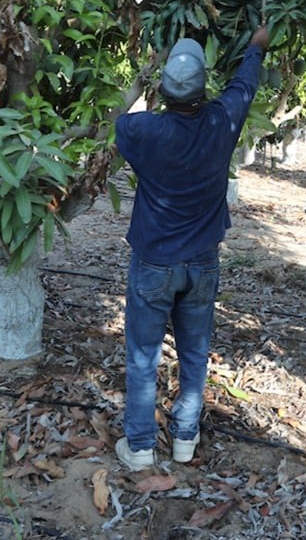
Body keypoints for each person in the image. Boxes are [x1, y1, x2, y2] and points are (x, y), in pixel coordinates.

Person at [113, 24, 271, 470]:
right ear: (204, 90)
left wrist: (145, 77)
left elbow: (117, 117)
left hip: (154, 261)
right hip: (202, 262)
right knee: (195, 351)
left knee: (143, 356)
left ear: (164, 92)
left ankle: (140, 446)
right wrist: (255, 47)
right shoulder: (222, 121)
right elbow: (244, 86)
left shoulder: (142, 131)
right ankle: (185, 436)